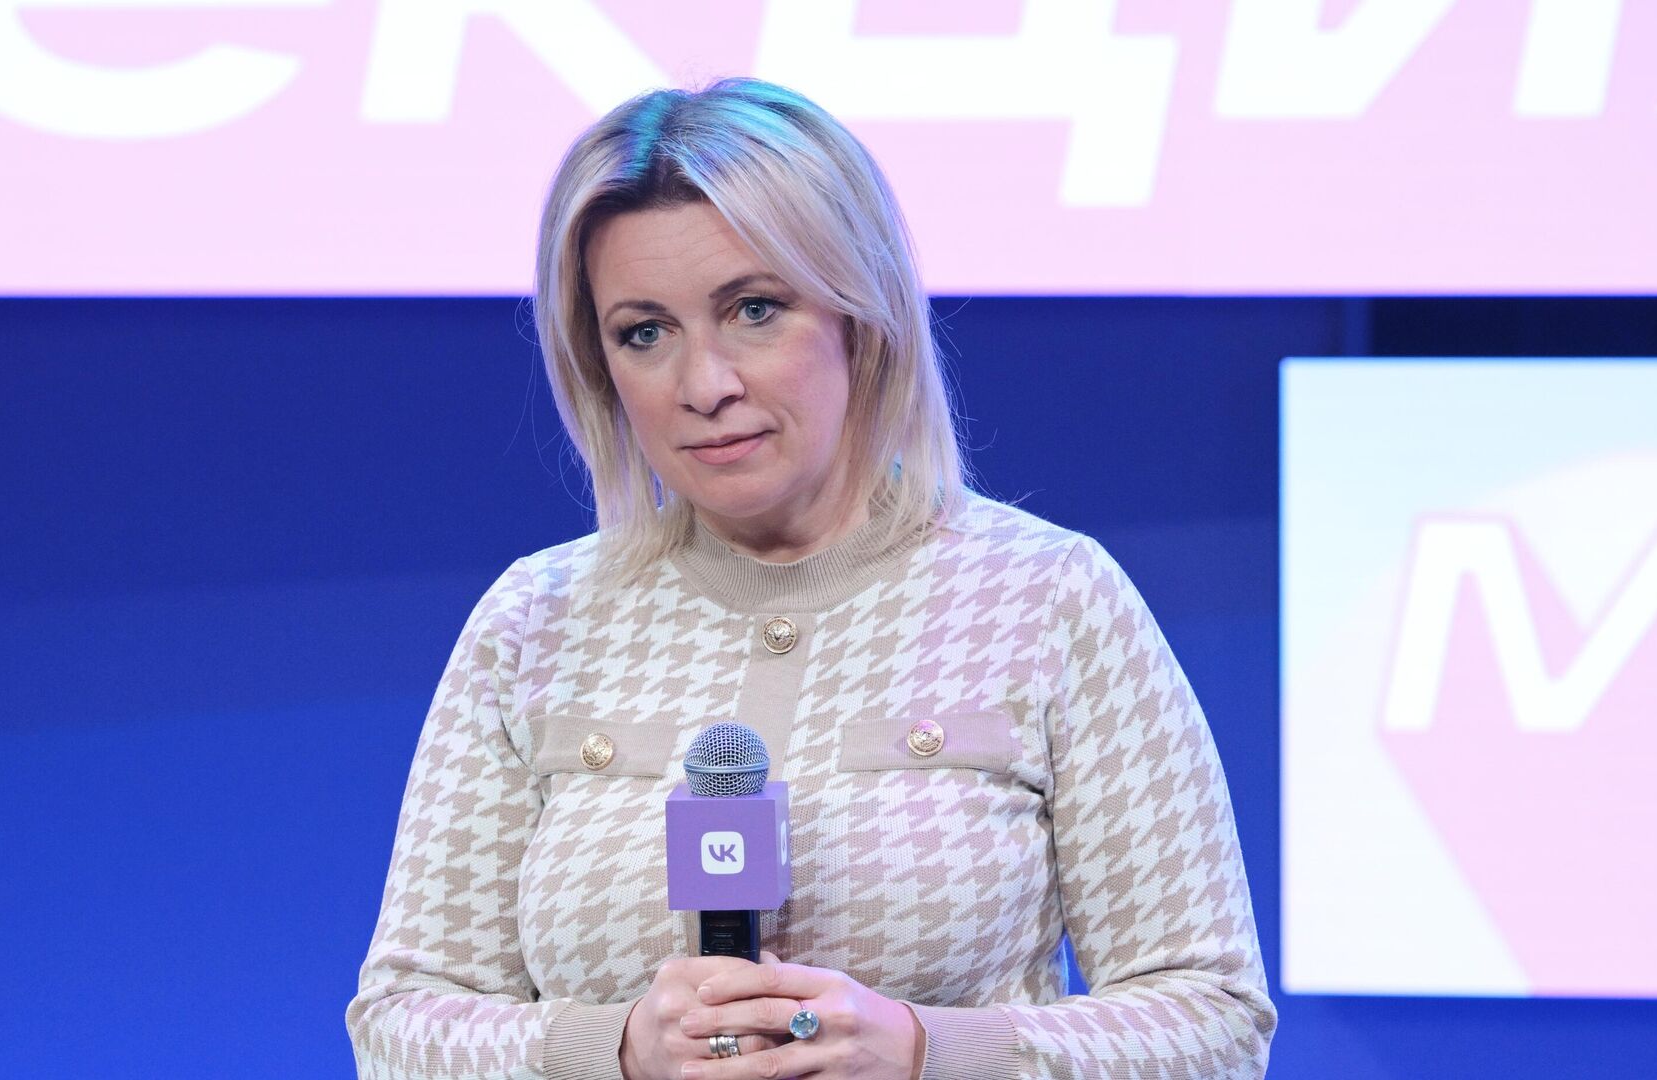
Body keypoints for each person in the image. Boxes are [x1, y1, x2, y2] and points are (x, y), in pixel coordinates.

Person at [346, 77, 1275, 1080]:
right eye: (644, 333)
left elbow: (1214, 1022)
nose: (705, 386)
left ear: (860, 316)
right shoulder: (535, 620)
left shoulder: (1046, 598)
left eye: (755, 310)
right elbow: (400, 1025)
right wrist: (611, 1049)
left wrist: (929, 1052)